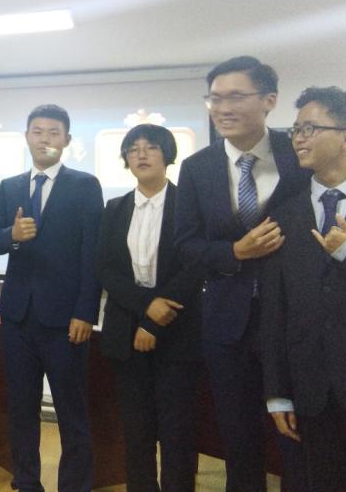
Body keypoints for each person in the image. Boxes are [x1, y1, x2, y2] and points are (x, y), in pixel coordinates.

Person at [174, 56, 309, 492]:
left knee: (298, 436)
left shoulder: (299, 154)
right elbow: (185, 245)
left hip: (293, 318)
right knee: (238, 434)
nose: (222, 108)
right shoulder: (197, 167)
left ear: (269, 100)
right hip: (227, 321)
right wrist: (234, 251)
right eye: (215, 98)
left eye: (235, 96)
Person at [261, 87, 346, 491]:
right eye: (295, 129)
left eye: (310, 128)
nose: (298, 138)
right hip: (311, 389)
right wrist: (278, 392)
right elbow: (275, 308)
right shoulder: (284, 214)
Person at [0, 104, 104, 492]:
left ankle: (75, 485)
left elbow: (92, 252)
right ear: (26, 137)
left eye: (53, 132)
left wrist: (85, 311)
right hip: (17, 317)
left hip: (66, 319)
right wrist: (12, 235)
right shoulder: (10, 186)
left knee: (71, 409)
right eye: (37, 131)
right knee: (21, 408)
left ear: (67, 140)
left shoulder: (85, 185)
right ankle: (26, 481)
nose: (45, 139)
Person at [98, 124, 203, 492]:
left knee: (177, 432)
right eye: (133, 149)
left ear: (168, 155)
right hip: (125, 334)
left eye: (151, 147)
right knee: (136, 431)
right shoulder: (114, 208)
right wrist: (146, 310)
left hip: (178, 333)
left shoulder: (189, 205)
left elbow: (194, 267)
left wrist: (154, 323)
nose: (141, 154)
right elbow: (105, 269)